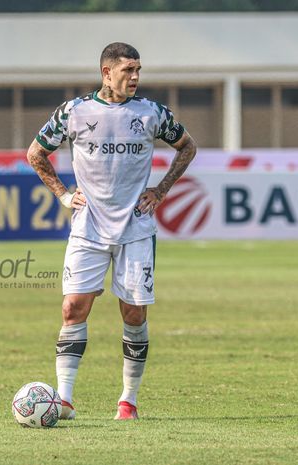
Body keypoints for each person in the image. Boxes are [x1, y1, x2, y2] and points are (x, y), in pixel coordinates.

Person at [26, 42, 198, 420]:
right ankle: (64, 400)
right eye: (127, 70)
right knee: (73, 308)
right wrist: (62, 194)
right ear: (107, 73)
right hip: (87, 227)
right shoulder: (73, 112)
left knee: (133, 314)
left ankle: (128, 401)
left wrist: (161, 190)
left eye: (138, 70)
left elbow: (187, 147)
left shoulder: (152, 113)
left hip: (135, 227)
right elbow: (35, 153)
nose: (135, 77)